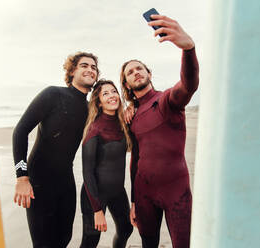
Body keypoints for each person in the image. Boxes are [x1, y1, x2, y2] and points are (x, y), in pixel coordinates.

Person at [120, 15, 199, 248]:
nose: (135, 72)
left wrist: (188, 49)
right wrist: (133, 200)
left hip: (176, 189)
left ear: (149, 74)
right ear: (126, 84)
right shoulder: (131, 115)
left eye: (139, 69)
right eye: (130, 72)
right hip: (144, 191)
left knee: (183, 244)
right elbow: (135, 157)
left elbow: (188, 85)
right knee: (148, 243)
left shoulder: (167, 101)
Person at [12, 52, 99, 248]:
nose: (90, 69)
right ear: (72, 71)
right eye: (84, 65)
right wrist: (22, 177)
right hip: (39, 182)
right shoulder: (53, 94)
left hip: (65, 182)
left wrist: (131, 108)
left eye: (94, 67)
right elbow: (20, 132)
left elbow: (112, 121)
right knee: (43, 244)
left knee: (63, 239)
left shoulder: (90, 110)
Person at [80, 79, 133, 248]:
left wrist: (132, 105)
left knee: (126, 229)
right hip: (94, 195)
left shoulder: (123, 123)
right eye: (105, 93)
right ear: (99, 102)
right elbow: (87, 172)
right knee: (91, 240)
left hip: (118, 192)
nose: (112, 96)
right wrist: (97, 211)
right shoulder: (94, 129)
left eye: (114, 91)